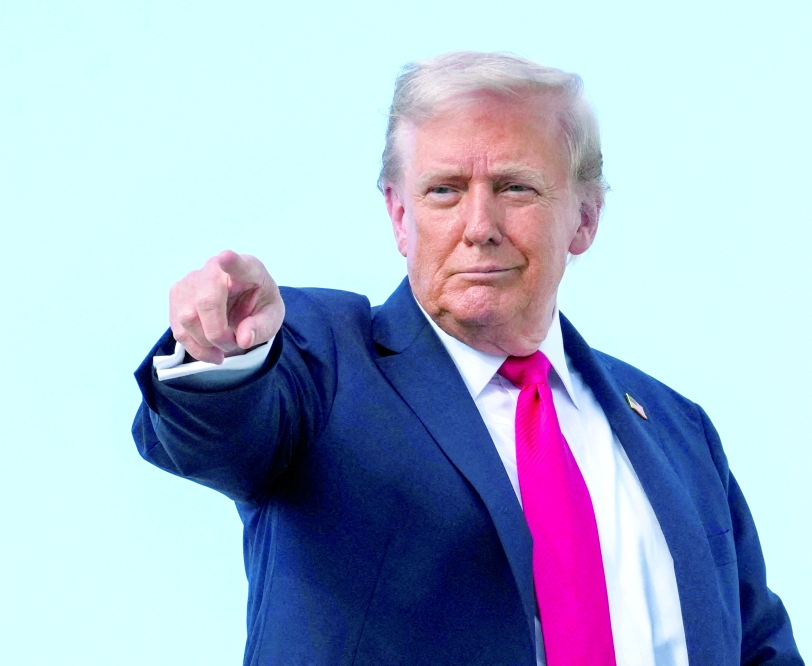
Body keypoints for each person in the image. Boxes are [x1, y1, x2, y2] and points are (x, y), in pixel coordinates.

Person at [132, 52, 803, 665]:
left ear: (586, 218)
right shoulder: (325, 364)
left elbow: (759, 647)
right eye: (444, 190)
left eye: (516, 188)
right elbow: (219, 434)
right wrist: (218, 354)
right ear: (399, 217)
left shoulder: (679, 431)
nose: (479, 225)